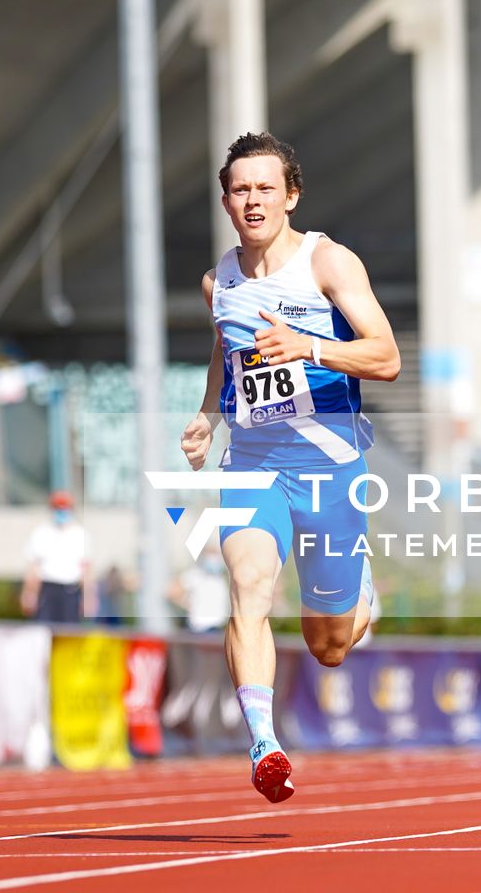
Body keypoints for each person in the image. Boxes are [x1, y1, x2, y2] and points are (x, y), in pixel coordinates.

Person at [180, 132, 399, 804]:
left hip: (331, 465)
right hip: (253, 463)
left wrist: (309, 347)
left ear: (291, 195)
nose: (253, 201)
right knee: (248, 585)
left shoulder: (328, 263)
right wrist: (208, 419)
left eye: (265, 188)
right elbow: (227, 355)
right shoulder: (219, 280)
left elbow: (385, 357)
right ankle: (264, 745)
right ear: (226, 200)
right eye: (241, 190)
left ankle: (361, 592)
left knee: (328, 644)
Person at [21, 491, 94, 623]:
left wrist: (88, 597)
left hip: (70, 591)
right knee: (45, 632)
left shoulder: (80, 535)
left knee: (69, 634)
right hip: (48, 590)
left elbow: (86, 571)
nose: (61, 511)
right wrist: (29, 594)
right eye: (58, 507)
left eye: (64, 507)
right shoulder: (41, 533)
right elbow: (33, 569)